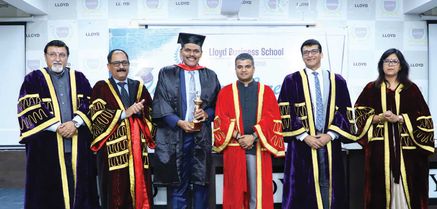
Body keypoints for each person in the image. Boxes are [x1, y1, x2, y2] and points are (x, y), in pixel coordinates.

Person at [17, 40, 100, 209]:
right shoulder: (33, 79)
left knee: (80, 191)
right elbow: (28, 109)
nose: (57, 59)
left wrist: (75, 123)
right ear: (45, 57)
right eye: (53, 54)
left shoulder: (79, 78)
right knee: (48, 194)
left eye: (62, 55)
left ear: (67, 57)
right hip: (46, 150)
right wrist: (58, 127)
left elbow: (91, 104)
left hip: (78, 149)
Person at [278, 39, 356, 209]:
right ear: (302, 56)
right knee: (302, 189)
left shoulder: (337, 80)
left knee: (328, 185)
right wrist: (305, 136)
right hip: (302, 144)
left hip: (329, 143)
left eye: (314, 51)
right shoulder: (291, 80)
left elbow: (344, 110)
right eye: (306, 52)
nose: (310, 55)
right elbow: (285, 112)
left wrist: (330, 135)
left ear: (321, 54)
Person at [354, 48, 434, 209]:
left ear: (401, 66)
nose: (390, 64)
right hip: (379, 152)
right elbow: (359, 114)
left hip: (407, 152)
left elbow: (424, 118)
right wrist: (379, 117)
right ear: (381, 65)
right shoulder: (371, 89)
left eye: (394, 61)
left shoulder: (411, 89)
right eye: (386, 61)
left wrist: (399, 118)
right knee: (379, 193)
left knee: (409, 193)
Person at [152, 32, 221, 209]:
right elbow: (161, 103)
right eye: (188, 50)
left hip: (201, 136)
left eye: (196, 51)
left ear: (201, 53)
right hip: (176, 135)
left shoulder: (210, 75)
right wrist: (179, 122)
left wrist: (206, 114)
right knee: (177, 182)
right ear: (181, 51)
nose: (192, 54)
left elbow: (217, 105)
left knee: (200, 181)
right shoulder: (167, 73)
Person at [213, 53, 285, 209]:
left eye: (247, 66)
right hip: (234, 150)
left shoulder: (266, 92)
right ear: (235, 69)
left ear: (253, 68)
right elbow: (221, 119)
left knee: (256, 194)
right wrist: (239, 137)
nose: (243, 70)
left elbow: (272, 118)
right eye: (240, 67)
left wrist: (253, 137)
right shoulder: (225, 92)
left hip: (257, 149)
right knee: (235, 194)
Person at [90, 49, 155, 209]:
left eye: (124, 63)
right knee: (115, 194)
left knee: (141, 192)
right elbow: (97, 116)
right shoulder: (101, 88)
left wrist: (141, 113)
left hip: (138, 153)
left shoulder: (139, 87)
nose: (121, 67)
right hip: (113, 154)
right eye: (116, 63)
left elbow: (151, 115)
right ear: (109, 66)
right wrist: (125, 114)